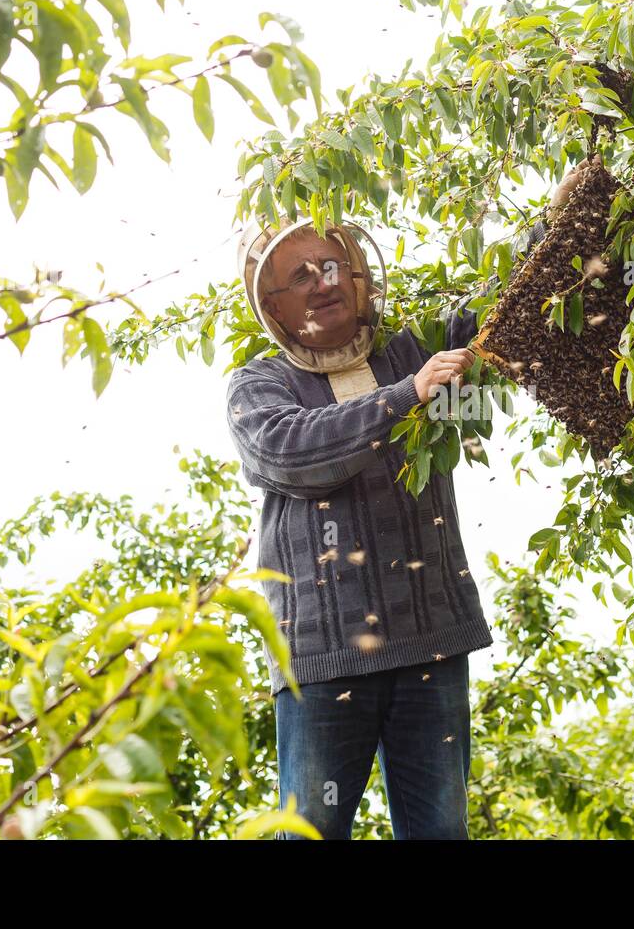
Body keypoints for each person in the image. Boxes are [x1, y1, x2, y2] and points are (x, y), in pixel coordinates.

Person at [225, 162, 591, 840]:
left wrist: (557, 217)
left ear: (358, 276)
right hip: (323, 666)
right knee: (306, 831)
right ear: (273, 306)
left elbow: (500, 306)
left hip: (432, 650)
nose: (320, 283)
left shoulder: (412, 348)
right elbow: (292, 455)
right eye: (298, 276)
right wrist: (407, 395)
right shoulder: (259, 387)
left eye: (330, 266)